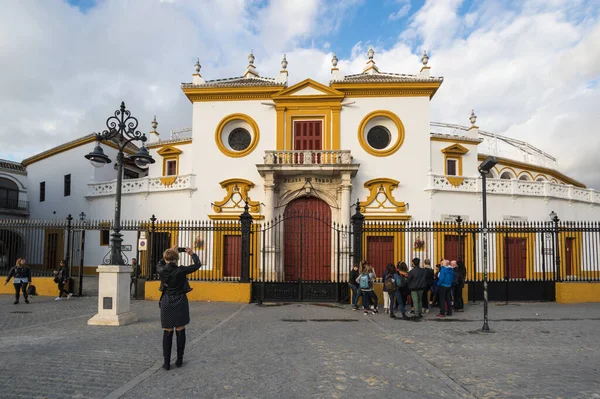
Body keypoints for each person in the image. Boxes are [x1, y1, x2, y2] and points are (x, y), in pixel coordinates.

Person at [158, 245, 203, 370]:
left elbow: (160, 262)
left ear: (166, 258)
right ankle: (179, 360)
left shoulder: (161, 269)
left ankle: (166, 363)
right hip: (180, 300)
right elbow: (197, 264)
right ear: (177, 258)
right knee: (180, 329)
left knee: (167, 330)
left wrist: (170, 251)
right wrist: (192, 253)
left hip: (167, 300)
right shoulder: (182, 270)